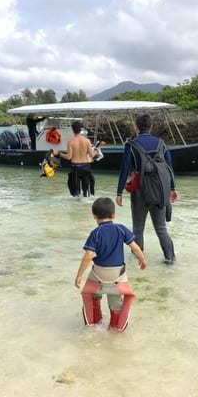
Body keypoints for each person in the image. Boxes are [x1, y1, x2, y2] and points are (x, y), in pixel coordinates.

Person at [75, 197, 147, 331]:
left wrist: (79, 276)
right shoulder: (121, 229)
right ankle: (115, 328)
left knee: (93, 294)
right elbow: (135, 247)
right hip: (117, 277)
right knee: (115, 302)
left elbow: (89, 255)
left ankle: (95, 322)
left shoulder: (95, 233)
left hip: (98, 275)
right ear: (113, 214)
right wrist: (142, 260)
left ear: (94, 216)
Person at [116, 113, 178, 264]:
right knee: (161, 228)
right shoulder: (161, 144)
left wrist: (119, 193)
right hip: (159, 190)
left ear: (136, 128)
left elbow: (124, 169)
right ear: (151, 127)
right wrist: (172, 188)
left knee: (138, 229)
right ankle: (170, 259)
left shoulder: (131, 145)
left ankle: (139, 261)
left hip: (139, 191)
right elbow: (169, 168)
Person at [53, 120, 99, 197]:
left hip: (75, 168)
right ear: (80, 130)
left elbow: (68, 157)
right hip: (85, 167)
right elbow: (92, 155)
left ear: (72, 130)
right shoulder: (87, 141)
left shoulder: (71, 142)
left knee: (76, 194)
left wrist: (58, 154)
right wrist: (96, 152)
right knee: (86, 194)